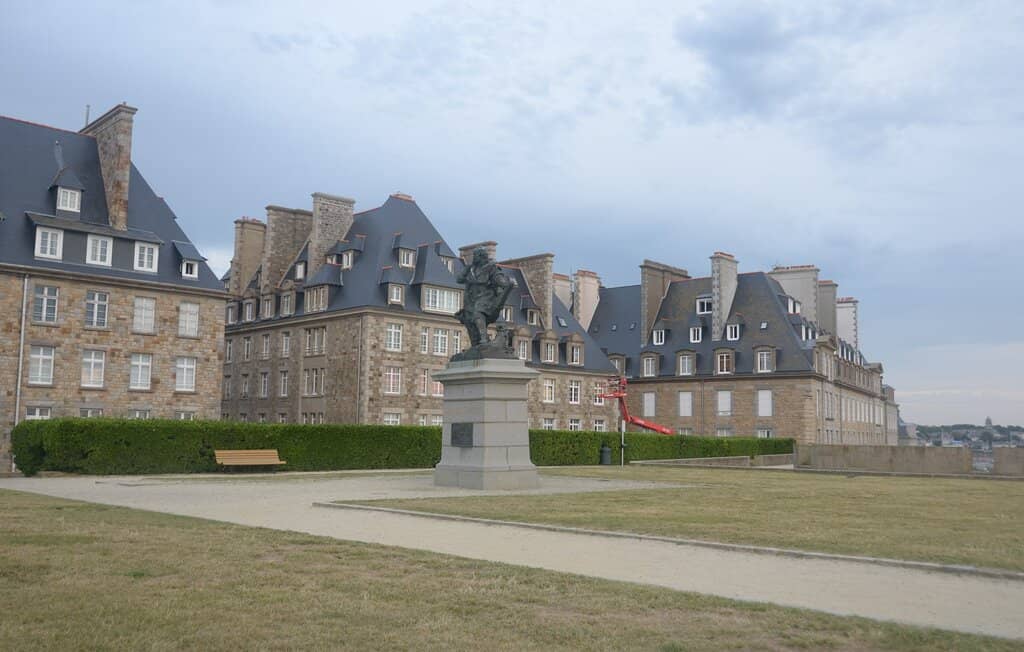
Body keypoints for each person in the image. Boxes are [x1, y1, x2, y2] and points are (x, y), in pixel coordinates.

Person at [455, 247, 513, 347]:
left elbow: (499, 279)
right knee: (469, 320)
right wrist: (467, 268)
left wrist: (505, 283)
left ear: (481, 257)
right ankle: (476, 344)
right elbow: (459, 279)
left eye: (476, 256)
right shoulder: (471, 269)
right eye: (474, 256)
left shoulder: (491, 268)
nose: (474, 258)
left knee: (478, 312)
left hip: (486, 298)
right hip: (471, 299)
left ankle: (484, 337)